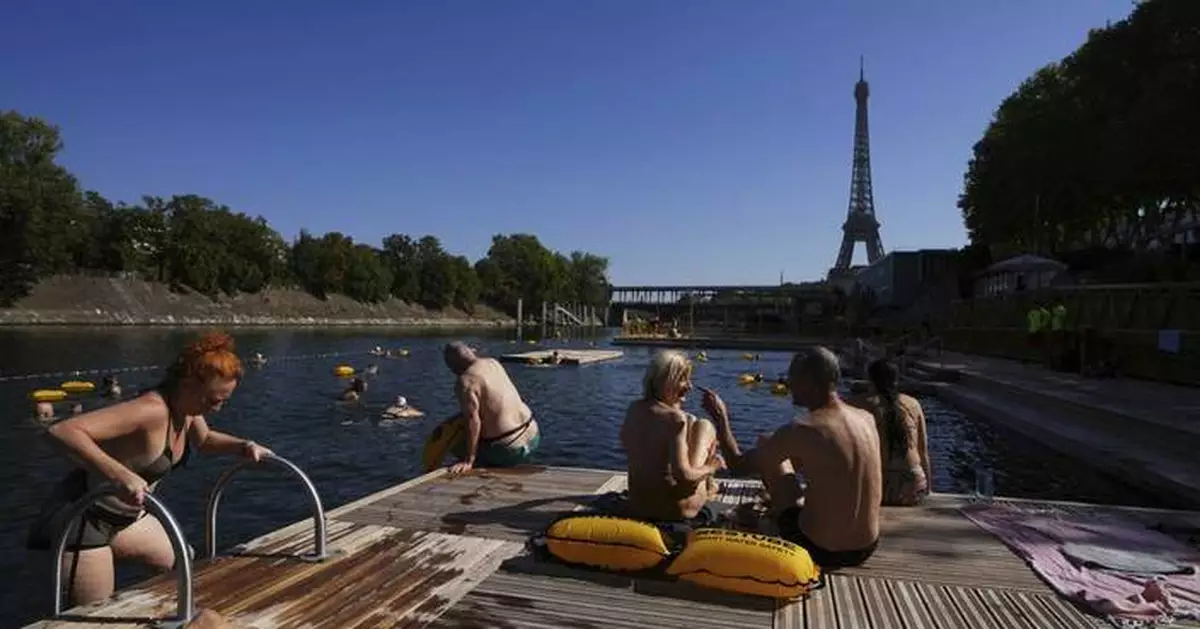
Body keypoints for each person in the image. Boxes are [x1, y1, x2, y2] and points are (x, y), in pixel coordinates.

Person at [26, 331, 272, 607]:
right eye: (213, 400)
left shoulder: (188, 410)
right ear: (189, 384)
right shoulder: (150, 410)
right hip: (86, 521)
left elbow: (204, 441)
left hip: (129, 519)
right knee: (96, 616)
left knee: (182, 565)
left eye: (224, 400)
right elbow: (62, 431)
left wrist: (244, 446)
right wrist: (119, 474)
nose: (217, 408)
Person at [704, 346, 881, 569]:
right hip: (866, 547)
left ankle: (768, 516)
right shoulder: (866, 418)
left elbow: (737, 466)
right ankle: (776, 507)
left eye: (792, 376)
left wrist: (721, 418)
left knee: (767, 445)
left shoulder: (804, 428)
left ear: (808, 381)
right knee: (782, 452)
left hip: (821, 550)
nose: (788, 383)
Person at [620, 350, 725, 522]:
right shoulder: (675, 419)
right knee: (705, 426)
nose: (689, 386)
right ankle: (708, 485)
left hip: (638, 504)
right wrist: (712, 466)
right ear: (666, 380)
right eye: (684, 379)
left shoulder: (634, 409)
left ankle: (708, 484)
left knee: (692, 420)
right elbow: (683, 477)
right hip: (675, 509)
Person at [443, 342, 540, 474]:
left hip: (510, 449)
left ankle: (472, 464)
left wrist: (469, 460)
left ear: (453, 363)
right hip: (533, 437)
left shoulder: (466, 381)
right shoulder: (493, 363)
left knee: (452, 438)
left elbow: (473, 421)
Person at [851, 359, 931, 506]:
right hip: (914, 487)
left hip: (881, 487)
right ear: (896, 380)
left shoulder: (860, 403)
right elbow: (922, 451)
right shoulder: (913, 404)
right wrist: (929, 490)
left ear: (870, 380)